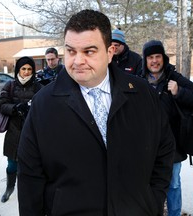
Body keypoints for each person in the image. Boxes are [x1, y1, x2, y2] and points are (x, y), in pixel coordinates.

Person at [17, 9, 175, 216]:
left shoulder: (142, 93)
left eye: (89, 51)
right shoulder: (44, 104)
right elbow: (30, 177)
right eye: (71, 51)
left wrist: (152, 200)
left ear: (109, 53)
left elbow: (164, 149)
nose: (77, 61)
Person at [141, 40, 193, 216]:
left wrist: (179, 92)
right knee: (147, 183)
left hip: (173, 145)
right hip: (146, 145)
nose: (154, 61)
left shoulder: (174, 78)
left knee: (173, 185)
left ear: (163, 58)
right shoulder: (139, 82)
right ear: (145, 60)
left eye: (157, 56)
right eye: (150, 57)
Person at [0, 56, 42, 203]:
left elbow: (44, 107)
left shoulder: (38, 87)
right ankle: (10, 187)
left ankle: (28, 191)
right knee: (12, 164)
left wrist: (33, 109)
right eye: (23, 69)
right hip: (14, 131)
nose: (26, 72)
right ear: (18, 70)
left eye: (29, 69)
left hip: (32, 132)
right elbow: (2, 105)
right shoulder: (9, 86)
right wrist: (15, 108)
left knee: (31, 164)